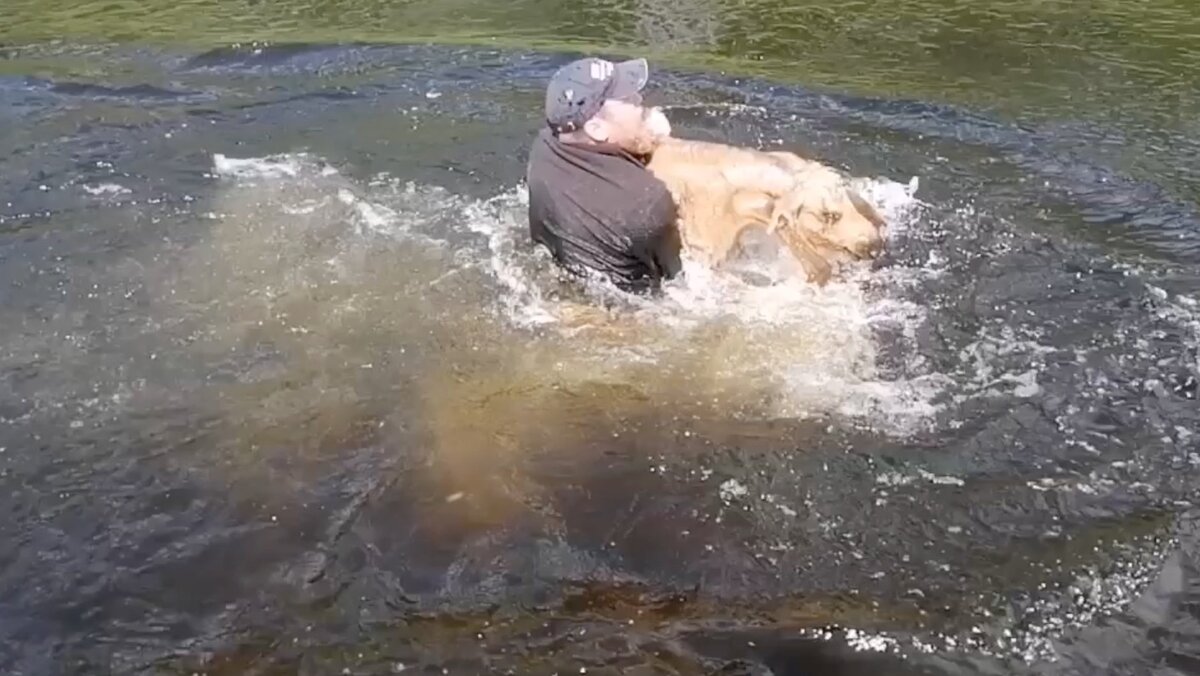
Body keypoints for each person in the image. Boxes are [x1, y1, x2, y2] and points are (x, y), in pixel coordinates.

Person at [525, 57, 681, 293]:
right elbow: (682, 279)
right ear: (596, 129)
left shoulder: (544, 146)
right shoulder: (647, 200)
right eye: (627, 100)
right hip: (625, 307)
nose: (639, 100)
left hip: (559, 280)